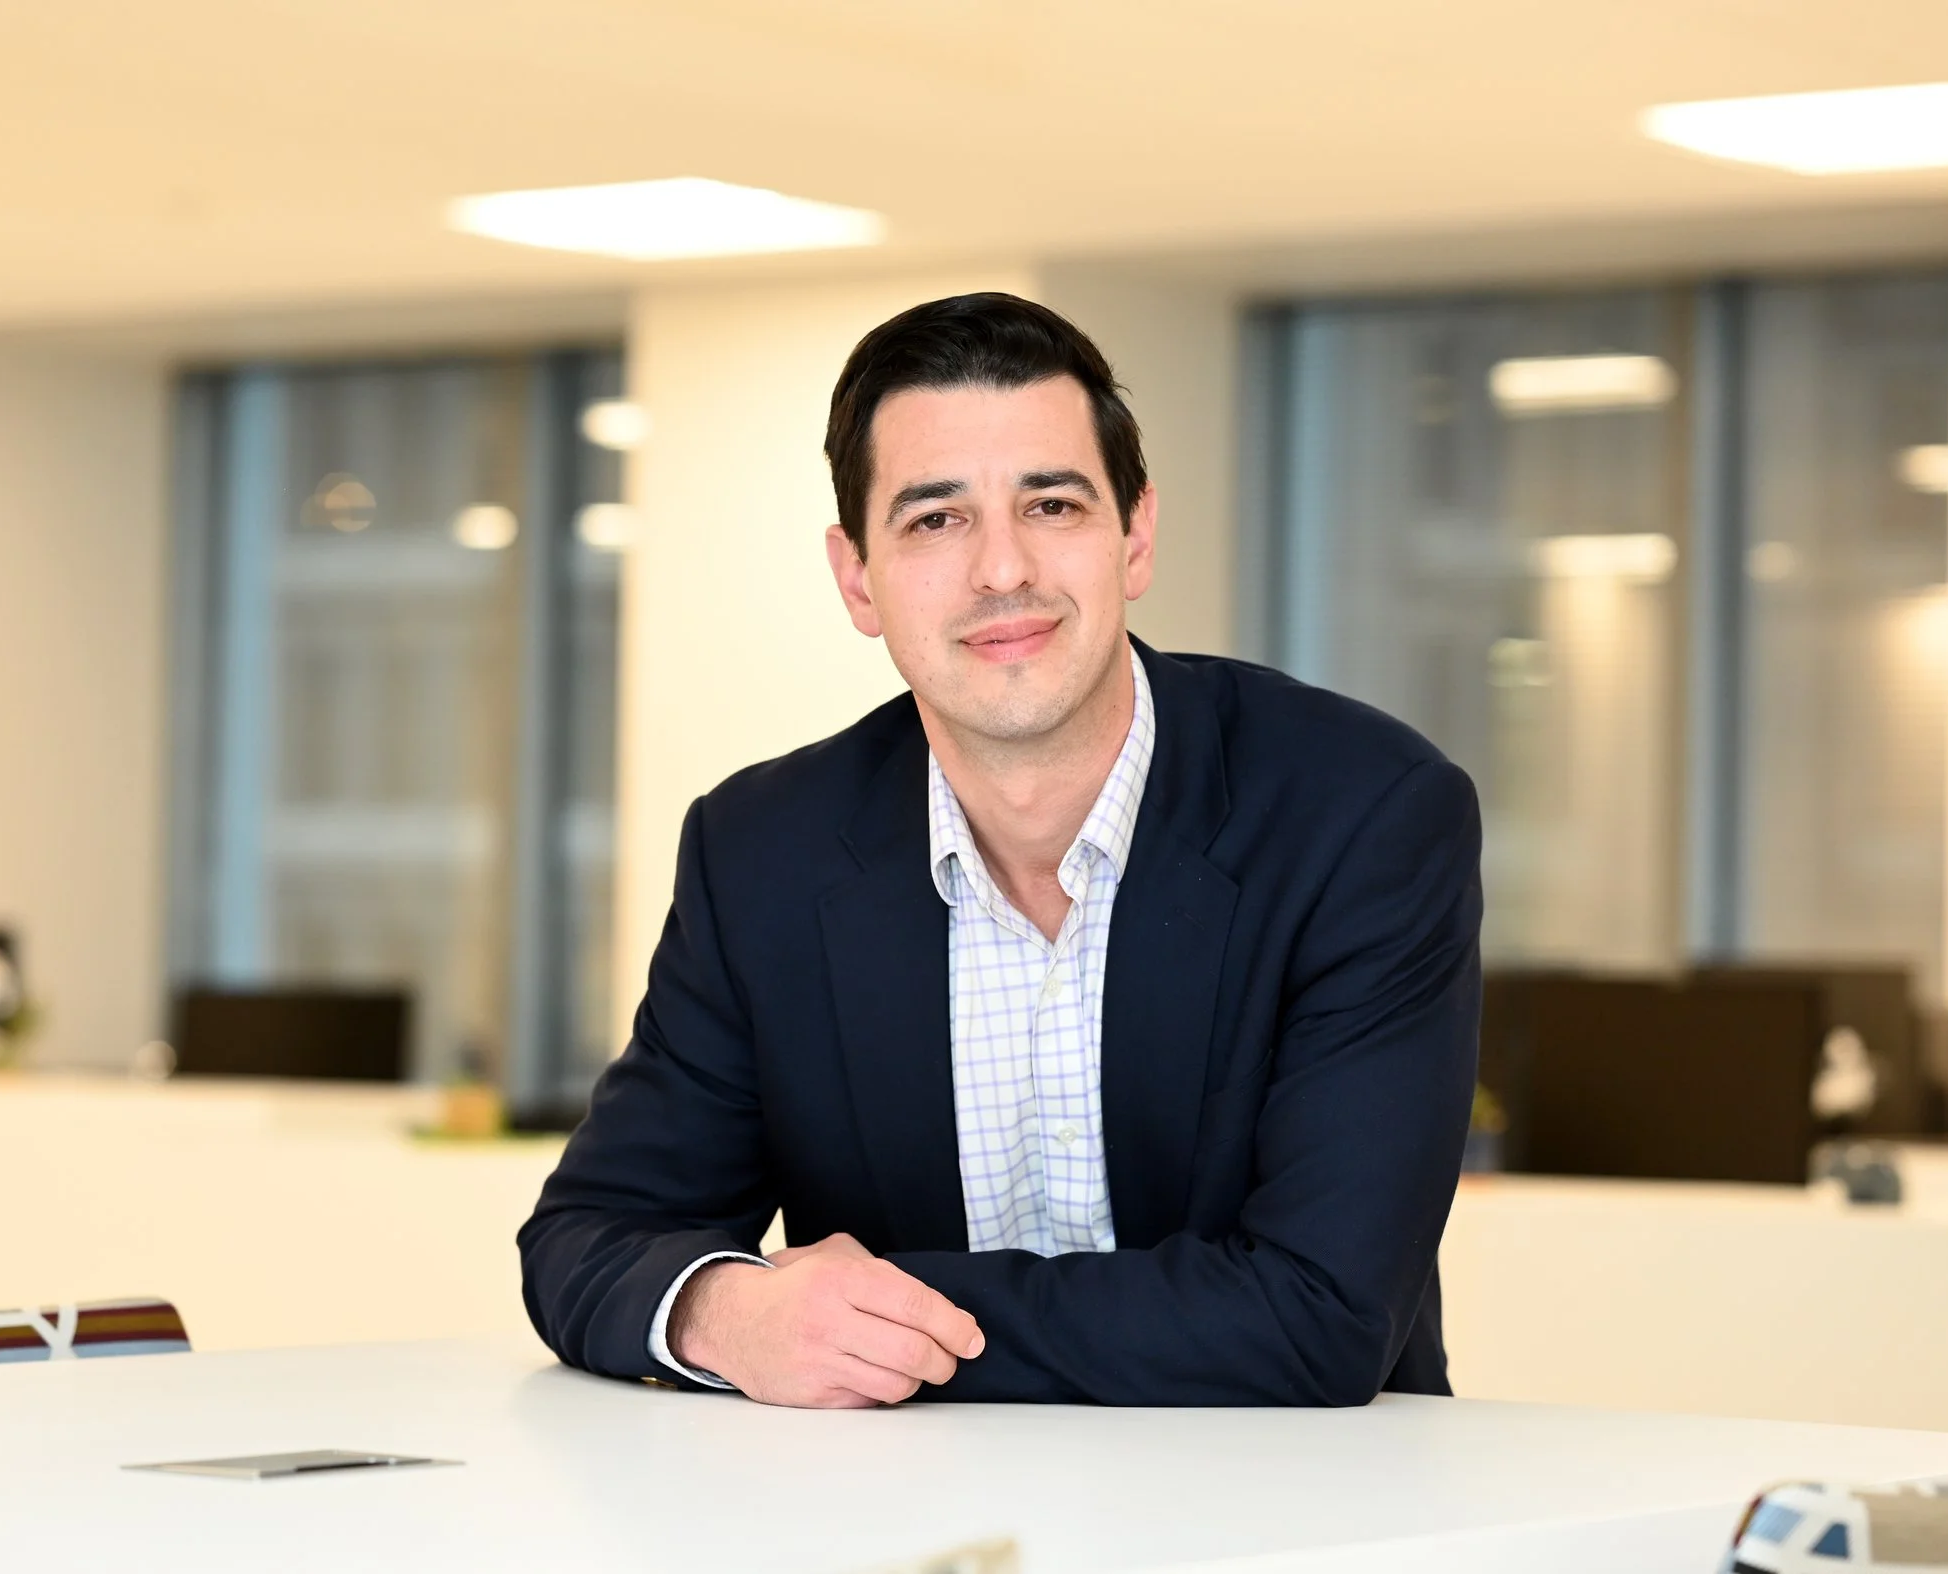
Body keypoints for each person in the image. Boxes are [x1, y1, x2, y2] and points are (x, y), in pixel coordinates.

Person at [518, 292, 1481, 1408]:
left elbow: (1320, 1314)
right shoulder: (761, 853)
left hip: (1301, 1498)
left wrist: (874, 1323)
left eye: (1052, 504)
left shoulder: (1360, 816)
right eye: (935, 519)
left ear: (1135, 537)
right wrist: (725, 1312)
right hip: (907, 1502)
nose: (1000, 569)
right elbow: (587, 1237)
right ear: (856, 577)